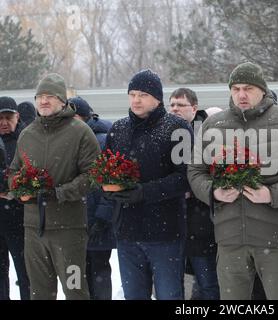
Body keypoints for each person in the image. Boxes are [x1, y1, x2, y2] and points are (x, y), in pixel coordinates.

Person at [188, 62, 278, 300]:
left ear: (262, 89)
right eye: (236, 88)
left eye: (248, 88)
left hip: (276, 238)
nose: (241, 94)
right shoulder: (213, 125)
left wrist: (272, 194)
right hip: (229, 239)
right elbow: (196, 171)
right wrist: (214, 191)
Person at [8, 73, 101, 300]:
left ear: (62, 100)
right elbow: (13, 172)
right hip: (33, 230)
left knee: (75, 291)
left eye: (50, 96)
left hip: (69, 230)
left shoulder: (80, 132)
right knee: (39, 293)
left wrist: (59, 193)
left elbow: (94, 174)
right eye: (40, 96)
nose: (43, 101)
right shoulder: (27, 135)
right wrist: (19, 188)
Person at [104, 69, 193, 300]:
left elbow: (184, 177)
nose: (136, 100)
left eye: (142, 94)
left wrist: (144, 192)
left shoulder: (177, 128)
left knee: (169, 295)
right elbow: (106, 170)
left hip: (165, 233)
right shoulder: (118, 129)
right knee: (133, 295)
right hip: (127, 232)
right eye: (132, 94)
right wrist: (107, 187)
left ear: (157, 98)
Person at [169, 88, 219, 300]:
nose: (175, 109)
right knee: (172, 286)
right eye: (171, 105)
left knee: (207, 282)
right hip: (171, 223)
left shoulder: (208, 134)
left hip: (201, 222)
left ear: (194, 108)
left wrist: (192, 187)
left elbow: (215, 172)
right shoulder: (165, 133)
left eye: (180, 105)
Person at [69, 96, 115, 300]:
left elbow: (112, 181)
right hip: (77, 219)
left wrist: (103, 216)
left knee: (98, 271)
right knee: (78, 273)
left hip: (96, 218)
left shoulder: (103, 140)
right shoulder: (69, 140)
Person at [0, 97, 29, 300]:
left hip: (20, 220)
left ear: (17, 117)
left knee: (26, 274)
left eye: (8, 117)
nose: (3, 122)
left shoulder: (27, 141)